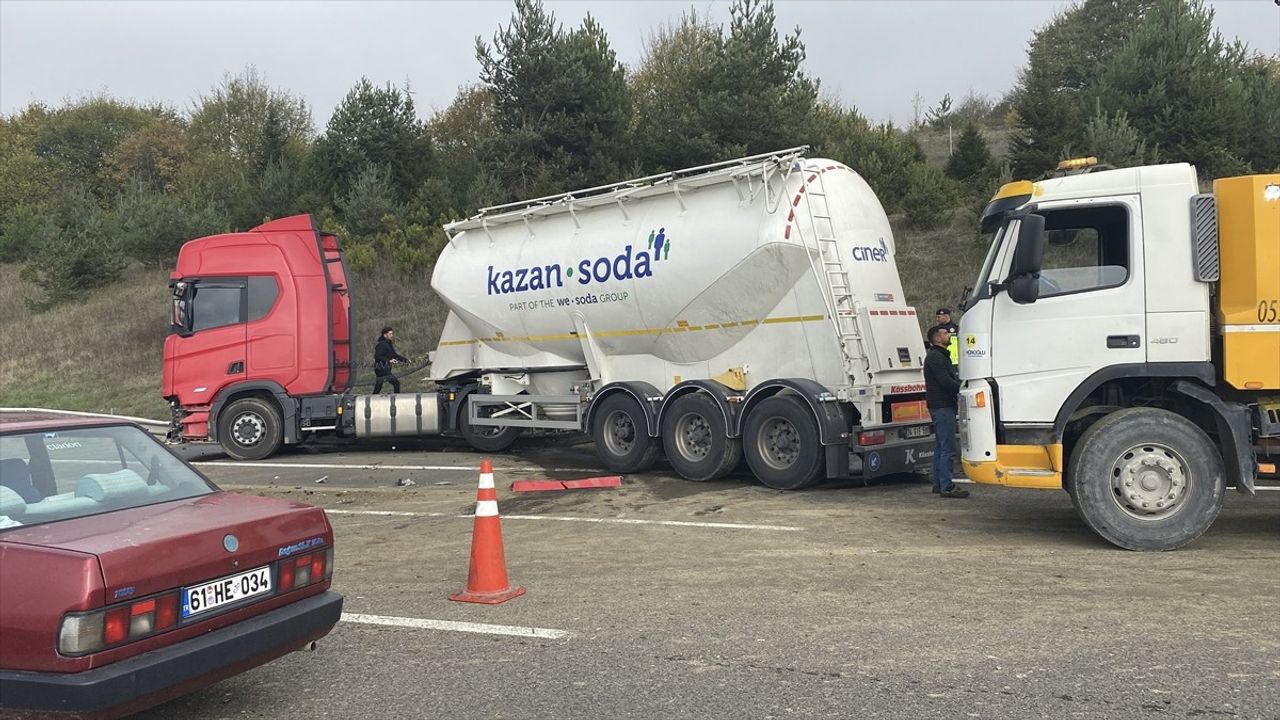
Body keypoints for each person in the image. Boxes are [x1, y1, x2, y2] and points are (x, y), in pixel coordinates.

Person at [925, 325, 969, 498]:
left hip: (941, 405)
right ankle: (947, 486)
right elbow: (945, 381)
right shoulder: (936, 357)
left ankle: (939, 483)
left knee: (941, 445)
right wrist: (963, 388)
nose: (949, 335)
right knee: (947, 447)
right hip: (942, 406)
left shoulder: (939, 355)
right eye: (945, 333)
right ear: (937, 338)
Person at [373, 326, 410, 394]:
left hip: (385, 368)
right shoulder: (381, 344)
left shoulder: (388, 343)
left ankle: (371, 398)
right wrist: (389, 360)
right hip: (381, 369)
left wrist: (405, 360)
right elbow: (377, 356)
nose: (392, 335)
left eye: (392, 334)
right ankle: (396, 398)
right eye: (390, 334)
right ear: (385, 335)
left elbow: (394, 355)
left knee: (378, 386)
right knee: (396, 383)